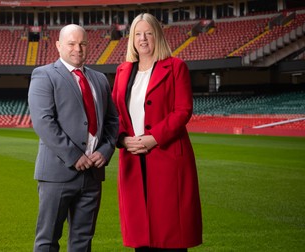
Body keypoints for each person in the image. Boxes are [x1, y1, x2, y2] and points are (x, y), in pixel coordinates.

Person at [111, 13, 202, 251]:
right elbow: (115, 113)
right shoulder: (123, 71)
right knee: (141, 235)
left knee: (171, 235)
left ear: (157, 36)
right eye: (138, 34)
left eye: (148, 33)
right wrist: (122, 139)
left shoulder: (175, 67)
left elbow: (183, 111)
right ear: (132, 39)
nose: (143, 39)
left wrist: (153, 139)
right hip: (132, 157)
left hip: (168, 157)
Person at [28, 24, 119, 252]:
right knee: (48, 241)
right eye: (71, 43)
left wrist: (106, 151)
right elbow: (43, 121)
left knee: (82, 242)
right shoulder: (44, 75)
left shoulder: (99, 79)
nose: (78, 48)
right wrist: (74, 155)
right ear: (59, 46)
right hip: (58, 174)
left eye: (82, 43)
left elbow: (112, 121)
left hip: (92, 175)